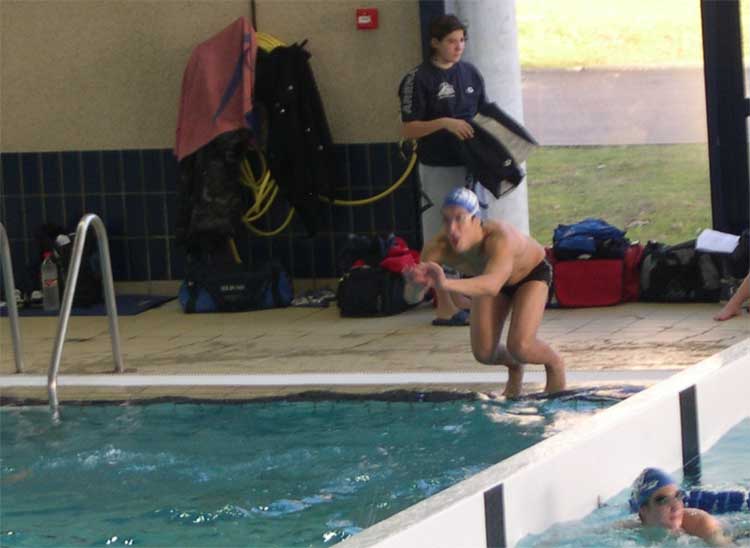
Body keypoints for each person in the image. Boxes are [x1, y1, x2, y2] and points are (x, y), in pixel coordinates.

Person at [403, 187, 566, 397]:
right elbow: (412, 298)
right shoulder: (437, 247)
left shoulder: (500, 237)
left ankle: (555, 363)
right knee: (484, 353)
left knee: (521, 346)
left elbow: (492, 285)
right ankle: (515, 366)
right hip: (488, 279)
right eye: (446, 220)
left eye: (459, 219)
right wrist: (415, 285)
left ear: (475, 220)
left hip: (530, 275)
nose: (452, 229)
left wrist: (445, 284)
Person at [398, 14, 488, 326]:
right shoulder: (418, 79)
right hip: (437, 166)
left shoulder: (471, 73)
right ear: (434, 43)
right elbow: (408, 128)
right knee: (440, 236)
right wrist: (444, 123)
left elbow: (485, 116)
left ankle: (460, 294)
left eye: (462, 40)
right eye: (451, 41)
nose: (458, 46)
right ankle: (443, 305)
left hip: (469, 166)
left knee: (470, 236)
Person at [628, 468, 730, 545]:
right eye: (663, 500)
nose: (676, 506)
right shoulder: (629, 531)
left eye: (678, 496)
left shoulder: (701, 524)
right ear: (644, 510)